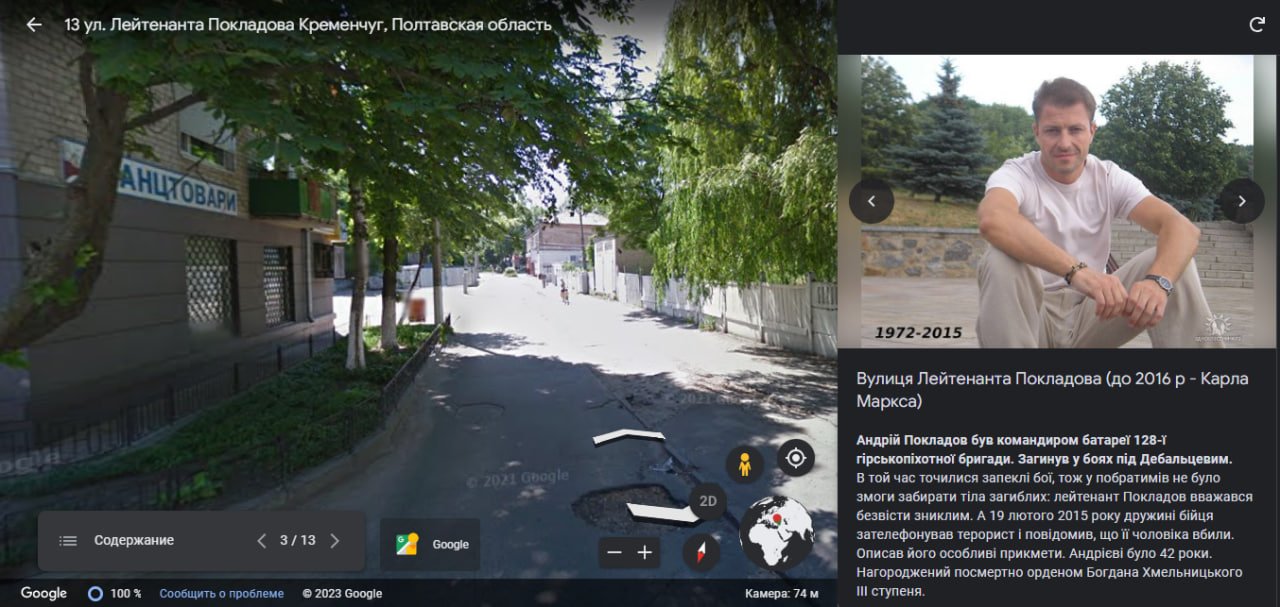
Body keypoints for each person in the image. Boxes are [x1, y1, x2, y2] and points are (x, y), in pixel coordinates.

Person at [975, 77, 1221, 348]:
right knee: (1001, 259)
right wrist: (1076, 271)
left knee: (1174, 264)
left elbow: (1182, 228)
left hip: (1095, 312)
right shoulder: (1016, 174)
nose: (1065, 143)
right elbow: (994, 219)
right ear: (1037, 132)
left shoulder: (1108, 177)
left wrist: (1157, 282)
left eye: (1075, 129)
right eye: (1053, 131)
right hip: (1033, 315)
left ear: (1092, 130)